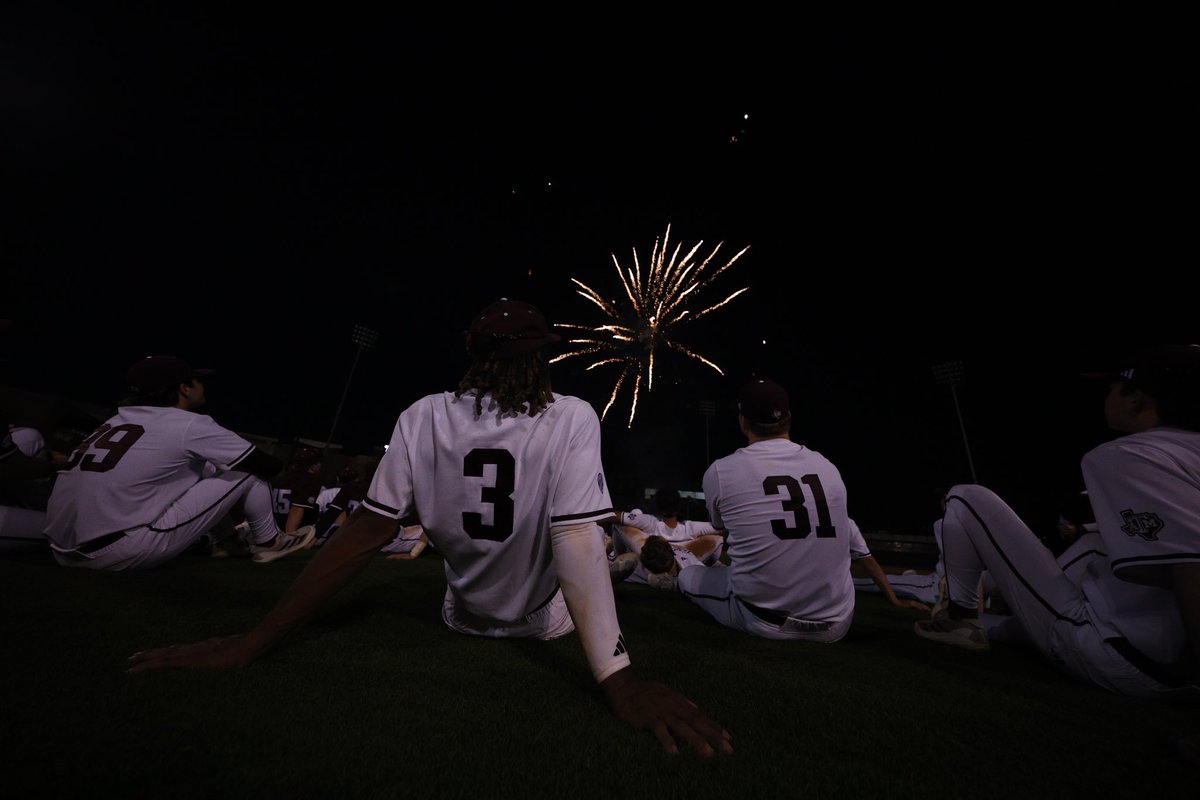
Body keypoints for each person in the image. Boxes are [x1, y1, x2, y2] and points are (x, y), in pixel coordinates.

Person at [126, 298, 733, 757]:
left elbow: (361, 538)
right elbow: (572, 540)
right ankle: (631, 569)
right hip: (547, 623)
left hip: (462, 614)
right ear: (542, 356)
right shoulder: (571, 415)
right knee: (591, 534)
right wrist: (619, 678)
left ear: (471, 348)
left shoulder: (421, 415)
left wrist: (253, 639)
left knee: (583, 534)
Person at [912, 344, 1200, 713]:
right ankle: (989, 623)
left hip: (1133, 661)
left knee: (966, 497)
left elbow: (1192, 566)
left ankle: (961, 619)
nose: (1107, 396)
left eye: (1113, 388)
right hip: (1162, 655)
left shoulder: (1133, 453)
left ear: (1136, 399)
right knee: (1097, 541)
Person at [678, 378, 910, 641]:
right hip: (837, 623)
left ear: (743, 421)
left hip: (762, 619)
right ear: (788, 418)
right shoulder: (827, 467)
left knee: (689, 575)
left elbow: (720, 527)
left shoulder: (721, 470)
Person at [42, 355, 316, 570]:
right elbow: (264, 465)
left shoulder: (114, 421)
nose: (201, 384)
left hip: (60, 550)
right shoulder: (189, 423)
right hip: (118, 550)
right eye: (196, 380)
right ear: (184, 388)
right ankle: (270, 542)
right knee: (245, 469)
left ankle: (228, 543)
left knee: (205, 466)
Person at [270, 445, 325, 533]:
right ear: (313, 465)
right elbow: (297, 509)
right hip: (290, 528)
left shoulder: (280, 477)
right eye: (318, 462)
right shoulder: (310, 479)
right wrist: (290, 536)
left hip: (271, 526)